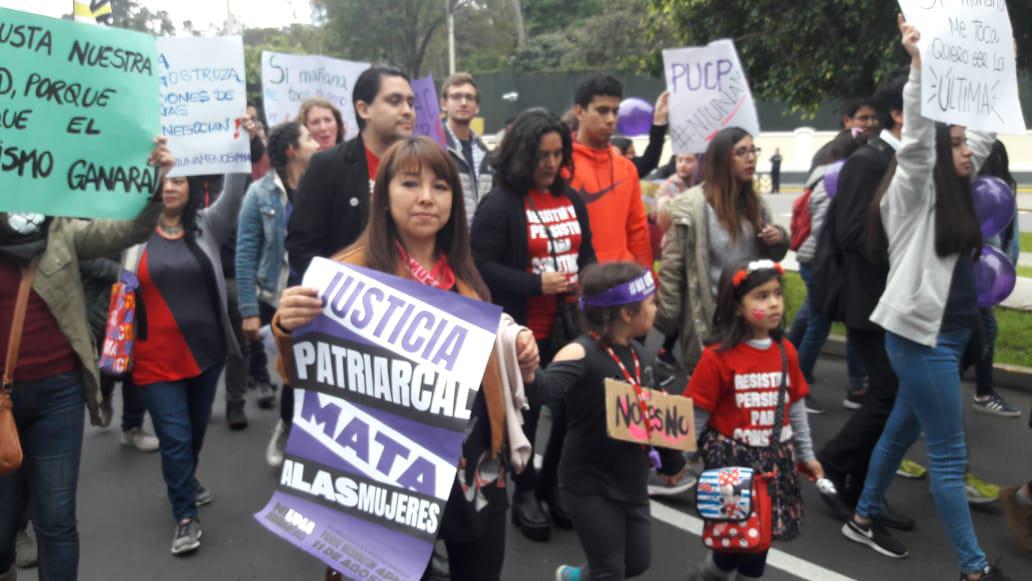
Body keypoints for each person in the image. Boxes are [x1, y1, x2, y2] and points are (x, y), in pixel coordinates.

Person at [273, 136, 539, 581]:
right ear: (383, 195)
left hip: (470, 466)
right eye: (410, 183)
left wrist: (516, 354)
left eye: (440, 187)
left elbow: (485, 362)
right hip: (387, 475)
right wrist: (287, 326)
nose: (425, 198)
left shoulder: (464, 270)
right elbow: (301, 374)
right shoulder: (346, 273)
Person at [840, 19, 1012, 581]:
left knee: (901, 430)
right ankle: (974, 568)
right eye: (957, 143)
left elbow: (981, 132)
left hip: (951, 334)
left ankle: (862, 517)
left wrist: (998, 69)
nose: (969, 150)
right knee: (948, 455)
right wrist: (918, 69)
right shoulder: (912, 194)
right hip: (922, 339)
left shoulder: (957, 182)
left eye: (966, 143)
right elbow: (918, 143)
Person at [0, 138, 174, 580]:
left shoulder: (60, 229)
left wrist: (152, 183)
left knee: (57, 522)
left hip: (58, 392)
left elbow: (128, 231)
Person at [471, 109, 597, 542]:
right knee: (523, 418)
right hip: (522, 333)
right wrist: (534, 283)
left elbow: (587, 255)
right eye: (542, 154)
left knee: (568, 412)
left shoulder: (572, 199)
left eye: (558, 154)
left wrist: (589, 283)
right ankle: (524, 493)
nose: (550, 163)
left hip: (568, 328)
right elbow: (479, 267)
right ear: (522, 154)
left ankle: (551, 485)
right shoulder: (501, 204)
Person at [278, 67, 415, 465]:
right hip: (346, 333)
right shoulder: (329, 167)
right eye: (394, 101)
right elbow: (302, 245)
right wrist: (338, 298)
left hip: (410, 332)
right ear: (363, 108)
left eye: (409, 102)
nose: (407, 110)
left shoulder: (421, 164)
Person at [812, 64, 920, 526]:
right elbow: (852, 232)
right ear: (899, 113)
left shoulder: (909, 159)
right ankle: (835, 465)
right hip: (870, 300)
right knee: (891, 395)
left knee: (895, 396)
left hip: (900, 298)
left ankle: (860, 486)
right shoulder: (869, 160)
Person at [123, 170, 247, 555]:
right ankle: (185, 518)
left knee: (192, 433)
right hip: (152, 361)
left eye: (178, 180)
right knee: (174, 438)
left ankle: (185, 478)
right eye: (163, 180)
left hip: (204, 354)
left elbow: (235, 189)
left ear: (190, 187)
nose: (171, 186)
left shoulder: (206, 224)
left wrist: (236, 139)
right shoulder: (131, 231)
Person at [685, 259, 822, 581]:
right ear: (736, 307)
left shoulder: (786, 351)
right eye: (761, 296)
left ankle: (712, 574)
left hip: (774, 464)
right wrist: (680, 458)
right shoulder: (717, 357)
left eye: (776, 293)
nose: (774, 303)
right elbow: (697, 414)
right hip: (733, 467)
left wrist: (807, 454)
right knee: (734, 539)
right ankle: (709, 574)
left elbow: (797, 407)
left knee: (759, 541)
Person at [531, 263, 660, 581]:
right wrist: (528, 370)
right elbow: (544, 390)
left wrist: (670, 460)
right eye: (651, 303)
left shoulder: (640, 355)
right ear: (627, 314)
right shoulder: (581, 352)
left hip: (631, 479)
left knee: (636, 563)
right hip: (588, 482)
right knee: (610, 571)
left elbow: (654, 410)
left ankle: (573, 578)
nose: (657, 309)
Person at [654, 127, 789, 374]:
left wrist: (778, 238)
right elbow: (673, 266)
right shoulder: (691, 205)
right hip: (711, 321)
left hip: (752, 320)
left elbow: (771, 259)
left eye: (753, 151)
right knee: (712, 400)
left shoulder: (755, 203)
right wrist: (668, 315)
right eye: (741, 152)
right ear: (722, 159)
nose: (751, 158)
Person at [236, 121, 319, 463]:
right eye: (310, 138)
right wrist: (248, 309)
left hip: (318, 294)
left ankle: (313, 434)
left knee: (315, 369)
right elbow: (245, 252)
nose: (318, 142)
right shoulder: (260, 193)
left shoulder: (322, 187)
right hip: (278, 296)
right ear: (293, 151)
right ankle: (286, 426)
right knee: (292, 370)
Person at [786, 129, 870, 411]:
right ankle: (798, 387)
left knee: (823, 320)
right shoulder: (831, 181)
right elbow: (825, 230)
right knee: (818, 325)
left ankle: (855, 384)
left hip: (827, 262)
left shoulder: (832, 178)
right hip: (822, 264)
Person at [568, 75, 652, 268]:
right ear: (580, 112)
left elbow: (637, 231)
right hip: (580, 283)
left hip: (623, 282)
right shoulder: (561, 166)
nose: (610, 119)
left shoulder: (627, 168)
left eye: (615, 111)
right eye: (602, 111)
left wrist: (647, 280)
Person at [970, 141, 1021, 418]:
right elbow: (1009, 245)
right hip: (977, 283)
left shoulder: (980, 193)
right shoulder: (996, 194)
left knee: (976, 335)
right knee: (982, 333)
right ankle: (984, 392)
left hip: (974, 281)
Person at [440, 72, 494, 227]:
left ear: (477, 107)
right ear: (444, 104)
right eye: (456, 97)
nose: (463, 102)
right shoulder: (436, 148)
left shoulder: (486, 153)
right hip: (448, 244)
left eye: (469, 98)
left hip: (481, 242)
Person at [811, 98, 878, 169]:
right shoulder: (828, 153)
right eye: (864, 118)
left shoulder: (878, 150)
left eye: (874, 118)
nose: (871, 124)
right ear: (846, 121)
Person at [654, 153, 700, 233]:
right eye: (679, 160)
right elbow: (658, 219)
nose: (682, 165)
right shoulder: (669, 185)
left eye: (689, 161)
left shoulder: (704, 185)